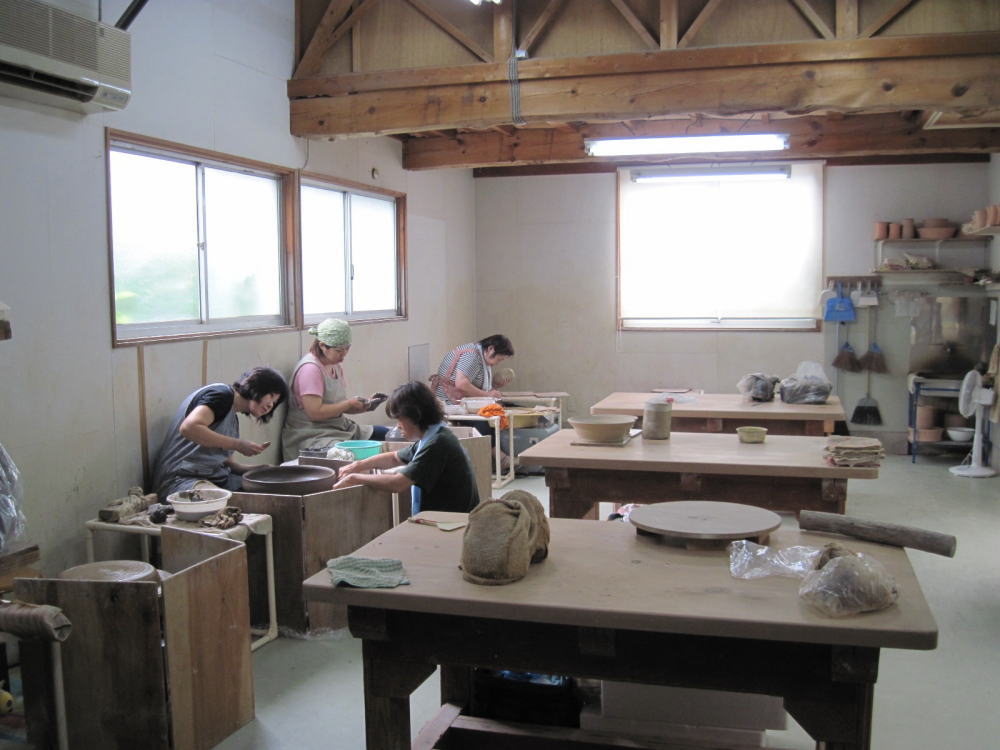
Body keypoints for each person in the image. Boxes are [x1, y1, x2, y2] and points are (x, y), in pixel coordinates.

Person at [333, 381, 479, 514]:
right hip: (446, 517)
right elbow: (394, 458)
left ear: (415, 416)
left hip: (455, 521)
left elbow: (398, 483)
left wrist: (355, 478)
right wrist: (357, 465)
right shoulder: (434, 435)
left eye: (399, 419)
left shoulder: (438, 443)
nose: (398, 425)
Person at [151, 366, 288, 500]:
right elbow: (189, 427)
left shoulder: (232, 418)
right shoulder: (221, 395)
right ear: (256, 387)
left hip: (214, 479)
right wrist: (238, 444)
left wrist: (261, 470)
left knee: (269, 492)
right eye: (270, 396)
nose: (270, 405)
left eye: (274, 402)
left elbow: (229, 465)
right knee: (224, 502)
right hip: (180, 480)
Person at [282, 318, 389, 461]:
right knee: (347, 456)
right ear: (322, 346)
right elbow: (315, 413)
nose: (343, 355)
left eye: (347, 349)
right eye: (338, 351)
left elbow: (337, 407)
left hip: (339, 428)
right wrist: (348, 404)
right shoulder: (310, 370)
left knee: (388, 435)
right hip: (313, 434)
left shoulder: (334, 365)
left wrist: (365, 406)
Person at [431, 334, 515, 403]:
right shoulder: (472, 356)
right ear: (490, 349)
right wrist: (488, 395)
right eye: (499, 359)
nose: (498, 363)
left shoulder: (481, 356)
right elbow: (461, 384)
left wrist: (494, 385)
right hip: (448, 404)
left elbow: (474, 382)